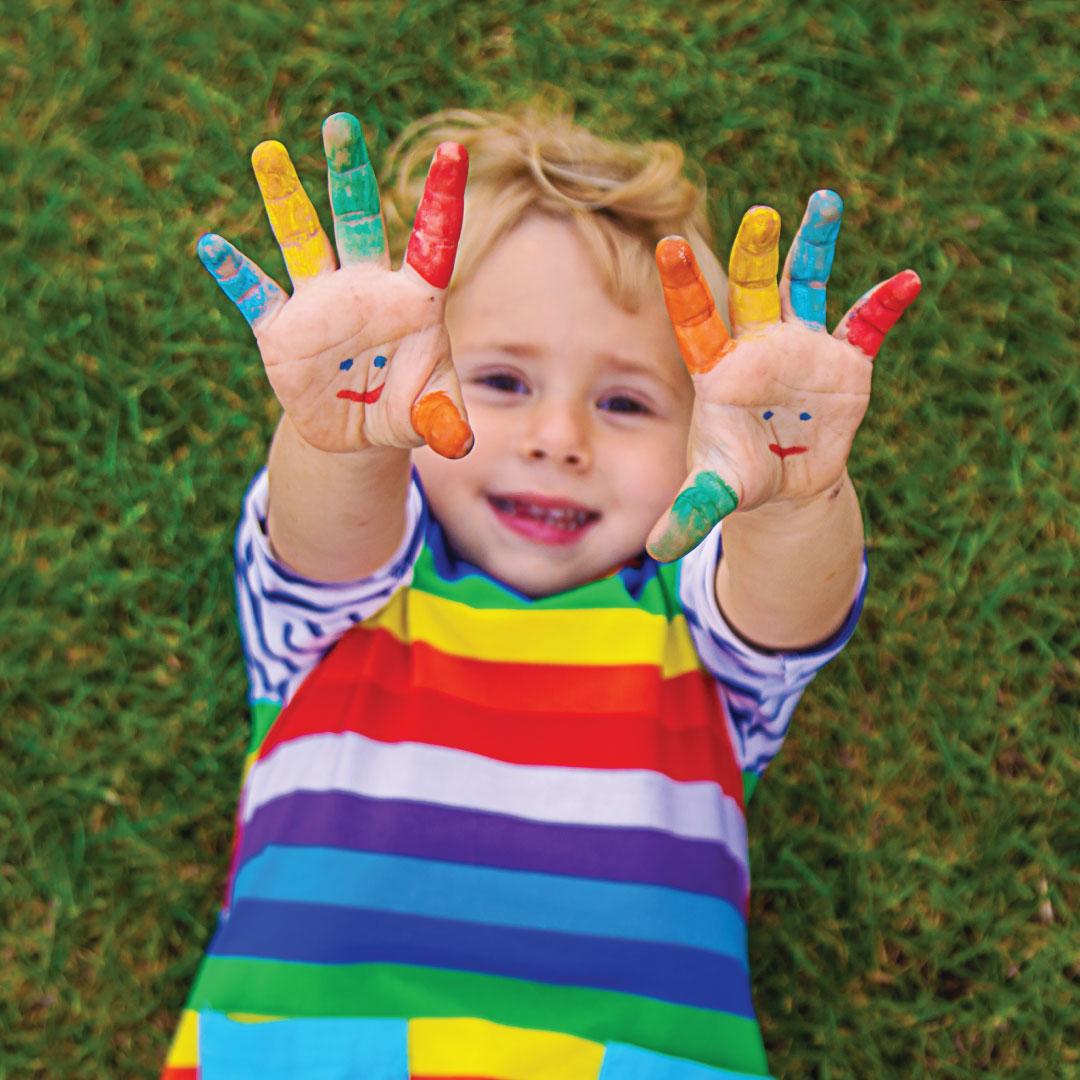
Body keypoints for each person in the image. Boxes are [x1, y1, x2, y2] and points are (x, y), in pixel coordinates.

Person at [162, 104, 919, 1079]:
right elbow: (330, 525)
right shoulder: (350, 606)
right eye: (503, 381)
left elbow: (788, 607)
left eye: (625, 402)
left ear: (702, 434)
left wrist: (796, 493)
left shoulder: (699, 635)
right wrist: (335, 431)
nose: (559, 438)